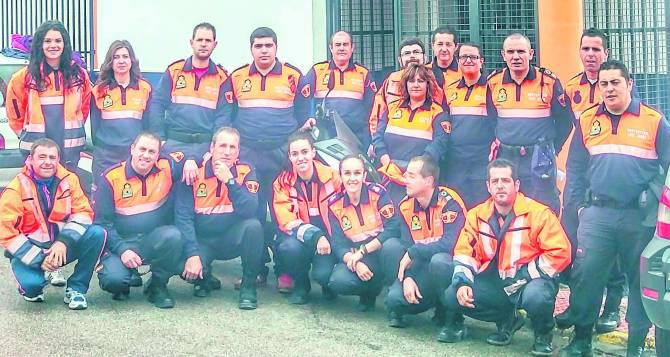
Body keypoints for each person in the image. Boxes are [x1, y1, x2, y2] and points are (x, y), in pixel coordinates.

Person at [559, 60, 669, 357]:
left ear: (629, 83)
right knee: (586, 276)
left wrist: (659, 202)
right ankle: (581, 341)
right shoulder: (587, 121)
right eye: (604, 84)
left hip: (640, 218)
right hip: (598, 215)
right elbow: (576, 170)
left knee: (639, 281)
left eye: (615, 83)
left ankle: (635, 346)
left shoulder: (653, 120)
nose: (608, 88)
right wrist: (580, 208)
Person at [433, 158, 571, 356]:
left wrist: (525, 275)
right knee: (451, 295)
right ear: (488, 186)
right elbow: (465, 251)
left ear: (516, 185)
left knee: (536, 297)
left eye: (505, 181)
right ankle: (507, 319)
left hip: (529, 282)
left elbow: (560, 252)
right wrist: (462, 282)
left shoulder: (539, 214)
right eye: (495, 181)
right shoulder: (476, 215)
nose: (500, 186)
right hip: (496, 283)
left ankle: (543, 335)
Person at [225, 27, 312, 290]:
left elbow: (302, 116)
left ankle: (285, 270)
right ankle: (256, 268)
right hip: (249, 155)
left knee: (282, 212)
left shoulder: (293, 76)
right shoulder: (237, 77)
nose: (263, 50)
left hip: (280, 155)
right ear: (251, 48)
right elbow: (227, 115)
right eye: (258, 46)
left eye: (268, 45)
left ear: (276, 47)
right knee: (252, 213)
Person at [556, 28, 626, 335]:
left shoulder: (616, 82)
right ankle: (578, 304)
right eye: (585, 49)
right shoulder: (572, 87)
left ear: (606, 53)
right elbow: (561, 123)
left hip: (610, 173)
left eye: (596, 49)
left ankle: (611, 307)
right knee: (575, 242)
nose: (590, 55)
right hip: (582, 168)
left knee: (612, 248)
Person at [0, 138, 106, 310]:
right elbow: (6, 233)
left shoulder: (69, 179)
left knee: (97, 233)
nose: (47, 162)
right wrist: (40, 259)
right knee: (33, 288)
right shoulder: (15, 189)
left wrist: (64, 242)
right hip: (30, 252)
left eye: (52, 157)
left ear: (58, 160)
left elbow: (83, 213)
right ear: (31, 159)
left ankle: (76, 289)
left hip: (60, 248)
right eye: (42, 157)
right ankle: (33, 281)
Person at [174, 127, 263, 310]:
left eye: (233, 147)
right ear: (212, 147)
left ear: (238, 151)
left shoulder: (246, 170)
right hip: (202, 241)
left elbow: (250, 209)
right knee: (181, 266)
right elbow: (183, 218)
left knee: (253, 227)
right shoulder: (193, 171)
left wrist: (230, 181)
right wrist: (192, 254)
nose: (227, 152)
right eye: (223, 146)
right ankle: (205, 277)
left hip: (231, 239)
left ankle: (248, 286)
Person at [94, 132, 184, 308]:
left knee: (174, 236)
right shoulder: (111, 178)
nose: (146, 155)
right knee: (114, 280)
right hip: (120, 244)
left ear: (159, 155)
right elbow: (102, 224)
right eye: (142, 149)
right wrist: (123, 250)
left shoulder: (167, 169)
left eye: (152, 151)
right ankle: (124, 280)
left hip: (151, 239)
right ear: (132, 149)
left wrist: (192, 160)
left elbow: (190, 157)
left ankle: (157, 286)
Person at [487, 33, 573, 213]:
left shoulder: (548, 81)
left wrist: (551, 149)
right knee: (507, 206)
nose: (516, 56)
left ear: (531, 54)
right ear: (503, 55)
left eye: (521, 51)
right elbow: (491, 119)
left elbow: (565, 121)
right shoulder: (493, 82)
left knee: (544, 207)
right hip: (506, 156)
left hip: (539, 157)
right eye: (510, 52)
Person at [383, 155, 467, 336]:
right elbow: (406, 246)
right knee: (394, 299)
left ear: (428, 180)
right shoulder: (405, 206)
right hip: (421, 267)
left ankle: (453, 318)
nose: (405, 180)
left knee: (439, 261)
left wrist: (414, 251)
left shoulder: (450, 202)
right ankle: (408, 301)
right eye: (406, 175)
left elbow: (450, 244)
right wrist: (408, 277)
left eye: (412, 176)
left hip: (448, 266)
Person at [149, 22, 231, 185]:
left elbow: (223, 117)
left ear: (215, 44)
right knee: (167, 191)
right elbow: (157, 105)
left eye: (208, 41)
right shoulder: (174, 71)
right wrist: (160, 139)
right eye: (199, 39)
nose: (203, 44)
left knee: (200, 193)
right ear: (191, 42)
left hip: (205, 145)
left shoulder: (222, 78)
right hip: (174, 143)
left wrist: (213, 148)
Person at [271, 132, 340, 304]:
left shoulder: (333, 177)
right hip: (301, 240)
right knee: (288, 247)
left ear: (313, 153)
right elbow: (287, 221)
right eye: (295, 154)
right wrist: (316, 236)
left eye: (304, 152)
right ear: (289, 157)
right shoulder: (282, 183)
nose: (300, 158)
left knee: (325, 277)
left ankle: (327, 282)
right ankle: (301, 284)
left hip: (329, 242)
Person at [327, 155, 400, 311]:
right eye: (347, 173)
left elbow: (393, 228)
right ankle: (369, 292)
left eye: (357, 173)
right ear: (340, 176)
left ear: (364, 175)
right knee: (338, 281)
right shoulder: (334, 204)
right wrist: (356, 263)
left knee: (393, 247)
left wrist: (363, 251)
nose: (352, 178)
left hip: (381, 253)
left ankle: (395, 299)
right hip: (358, 257)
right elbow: (338, 244)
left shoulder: (378, 193)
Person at [372, 64, 449, 204]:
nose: (416, 85)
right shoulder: (392, 107)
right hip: (389, 177)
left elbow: (439, 145)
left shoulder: (437, 113)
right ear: (405, 84)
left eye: (421, 81)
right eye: (411, 81)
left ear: (428, 84)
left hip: (419, 182)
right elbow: (378, 137)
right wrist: (386, 162)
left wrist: (415, 171)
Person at [90, 40, 152, 187]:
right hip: (105, 157)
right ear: (110, 62)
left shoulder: (145, 88)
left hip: (134, 156)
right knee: (102, 200)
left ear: (132, 60)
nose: (121, 61)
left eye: (125, 56)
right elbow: (94, 128)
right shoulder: (99, 91)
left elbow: (148, 124)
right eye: (116, 57)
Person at [442, 42, 496, 208]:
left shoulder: (492, 87)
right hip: (455, 161)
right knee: (457, 206)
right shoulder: (449, 89)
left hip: (482, 160)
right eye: (464, 57)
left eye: (473, 57)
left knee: (482, 207)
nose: (468, 61)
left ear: (482, 61)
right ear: (457, 61)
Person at [302, 31, 376, 150]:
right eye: (337, 45)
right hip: (325, 138)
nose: (341, 48)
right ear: (331, 48)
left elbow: (373, 107)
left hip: (356, 138)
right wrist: (309, 117)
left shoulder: (363, 73)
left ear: (352, 48)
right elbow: (303, 100)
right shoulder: (318, 70)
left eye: (345, 44)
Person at [368, 38, 428, 137]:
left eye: (416, 52)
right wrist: (376, 142)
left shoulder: (434, 81)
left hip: (424, 145)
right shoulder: (390, 82)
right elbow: (377, 115)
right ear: (400, 60)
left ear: (425, 57)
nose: (412, 56)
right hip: (393, 145)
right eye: (407, 53)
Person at [426, 26, 462, 104]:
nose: (444, 49)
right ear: (432, 46)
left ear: (456, 47)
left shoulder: (464, 72)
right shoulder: (424, 72)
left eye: (448, 44)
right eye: (440, 44)